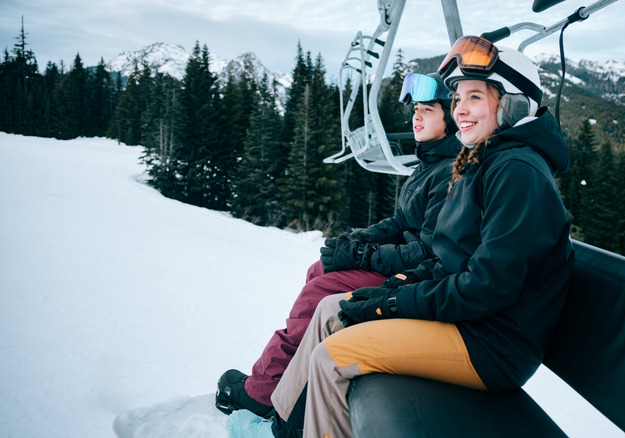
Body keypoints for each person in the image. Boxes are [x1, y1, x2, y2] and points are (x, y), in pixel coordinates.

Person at [226, 35, 574, 438]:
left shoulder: (517, 171)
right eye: (458, 98)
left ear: (513, 103)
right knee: (332, 311)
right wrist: (397, 286)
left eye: (474, 97)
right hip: (471, 322)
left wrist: (393, 300)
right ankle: (282, 425)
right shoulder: (486, 160)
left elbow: (488, 286)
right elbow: (448, 257)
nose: (461, 109)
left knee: (334, 357)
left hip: (490, 343)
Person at [215, 72, 462, 419]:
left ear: (450, 119)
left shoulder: (450, 172)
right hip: (402, 265)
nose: (416, 118)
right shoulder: (430, 163)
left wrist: (364, 256)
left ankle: (263, 390)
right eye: (415, 110)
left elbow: (427, 251)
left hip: (414, 280)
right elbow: (401, 223)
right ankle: (289, 372)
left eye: (427, 111)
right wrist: (360, 239)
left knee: (320, 291)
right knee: (319, 269)